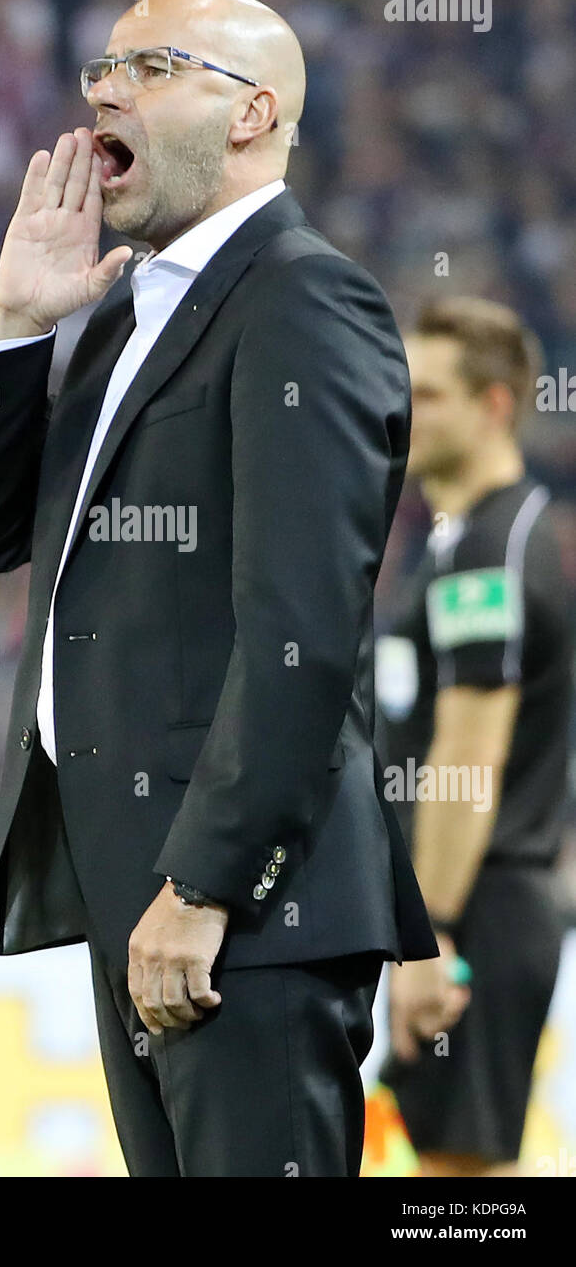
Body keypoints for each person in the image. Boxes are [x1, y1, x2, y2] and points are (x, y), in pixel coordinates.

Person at [0, 0, 448, 1178]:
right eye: (99, 67)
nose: (103, 89)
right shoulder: (121, 314)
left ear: (249, 112)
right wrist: (15, 327)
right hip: (141, 895)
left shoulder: (303, 298)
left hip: (237, 909)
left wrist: (205, 885)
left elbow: (301, 630)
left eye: (150, 66)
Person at [377, 297, 573, 1177]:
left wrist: (434, 936)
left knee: (462, 1188)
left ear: (496, 405)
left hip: (476, 910)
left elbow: (466, 759)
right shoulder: (470, 541)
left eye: (433, 394)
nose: (407, 411)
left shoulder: (491, 554)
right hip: (476, 907)